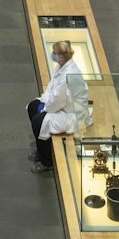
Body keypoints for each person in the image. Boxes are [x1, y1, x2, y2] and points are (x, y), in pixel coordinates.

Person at [27, 40, 91, 174]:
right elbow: (52, 87)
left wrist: (45, 108)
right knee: (33, 106)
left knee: (38, 122)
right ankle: (41, 149)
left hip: (70, 114)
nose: (53, 55)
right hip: (58, 105)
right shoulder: (61, 66)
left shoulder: (69, 74)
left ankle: (47, 161)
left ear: (62, 56)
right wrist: (44, 101)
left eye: (55, 53)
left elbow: (58, 99)